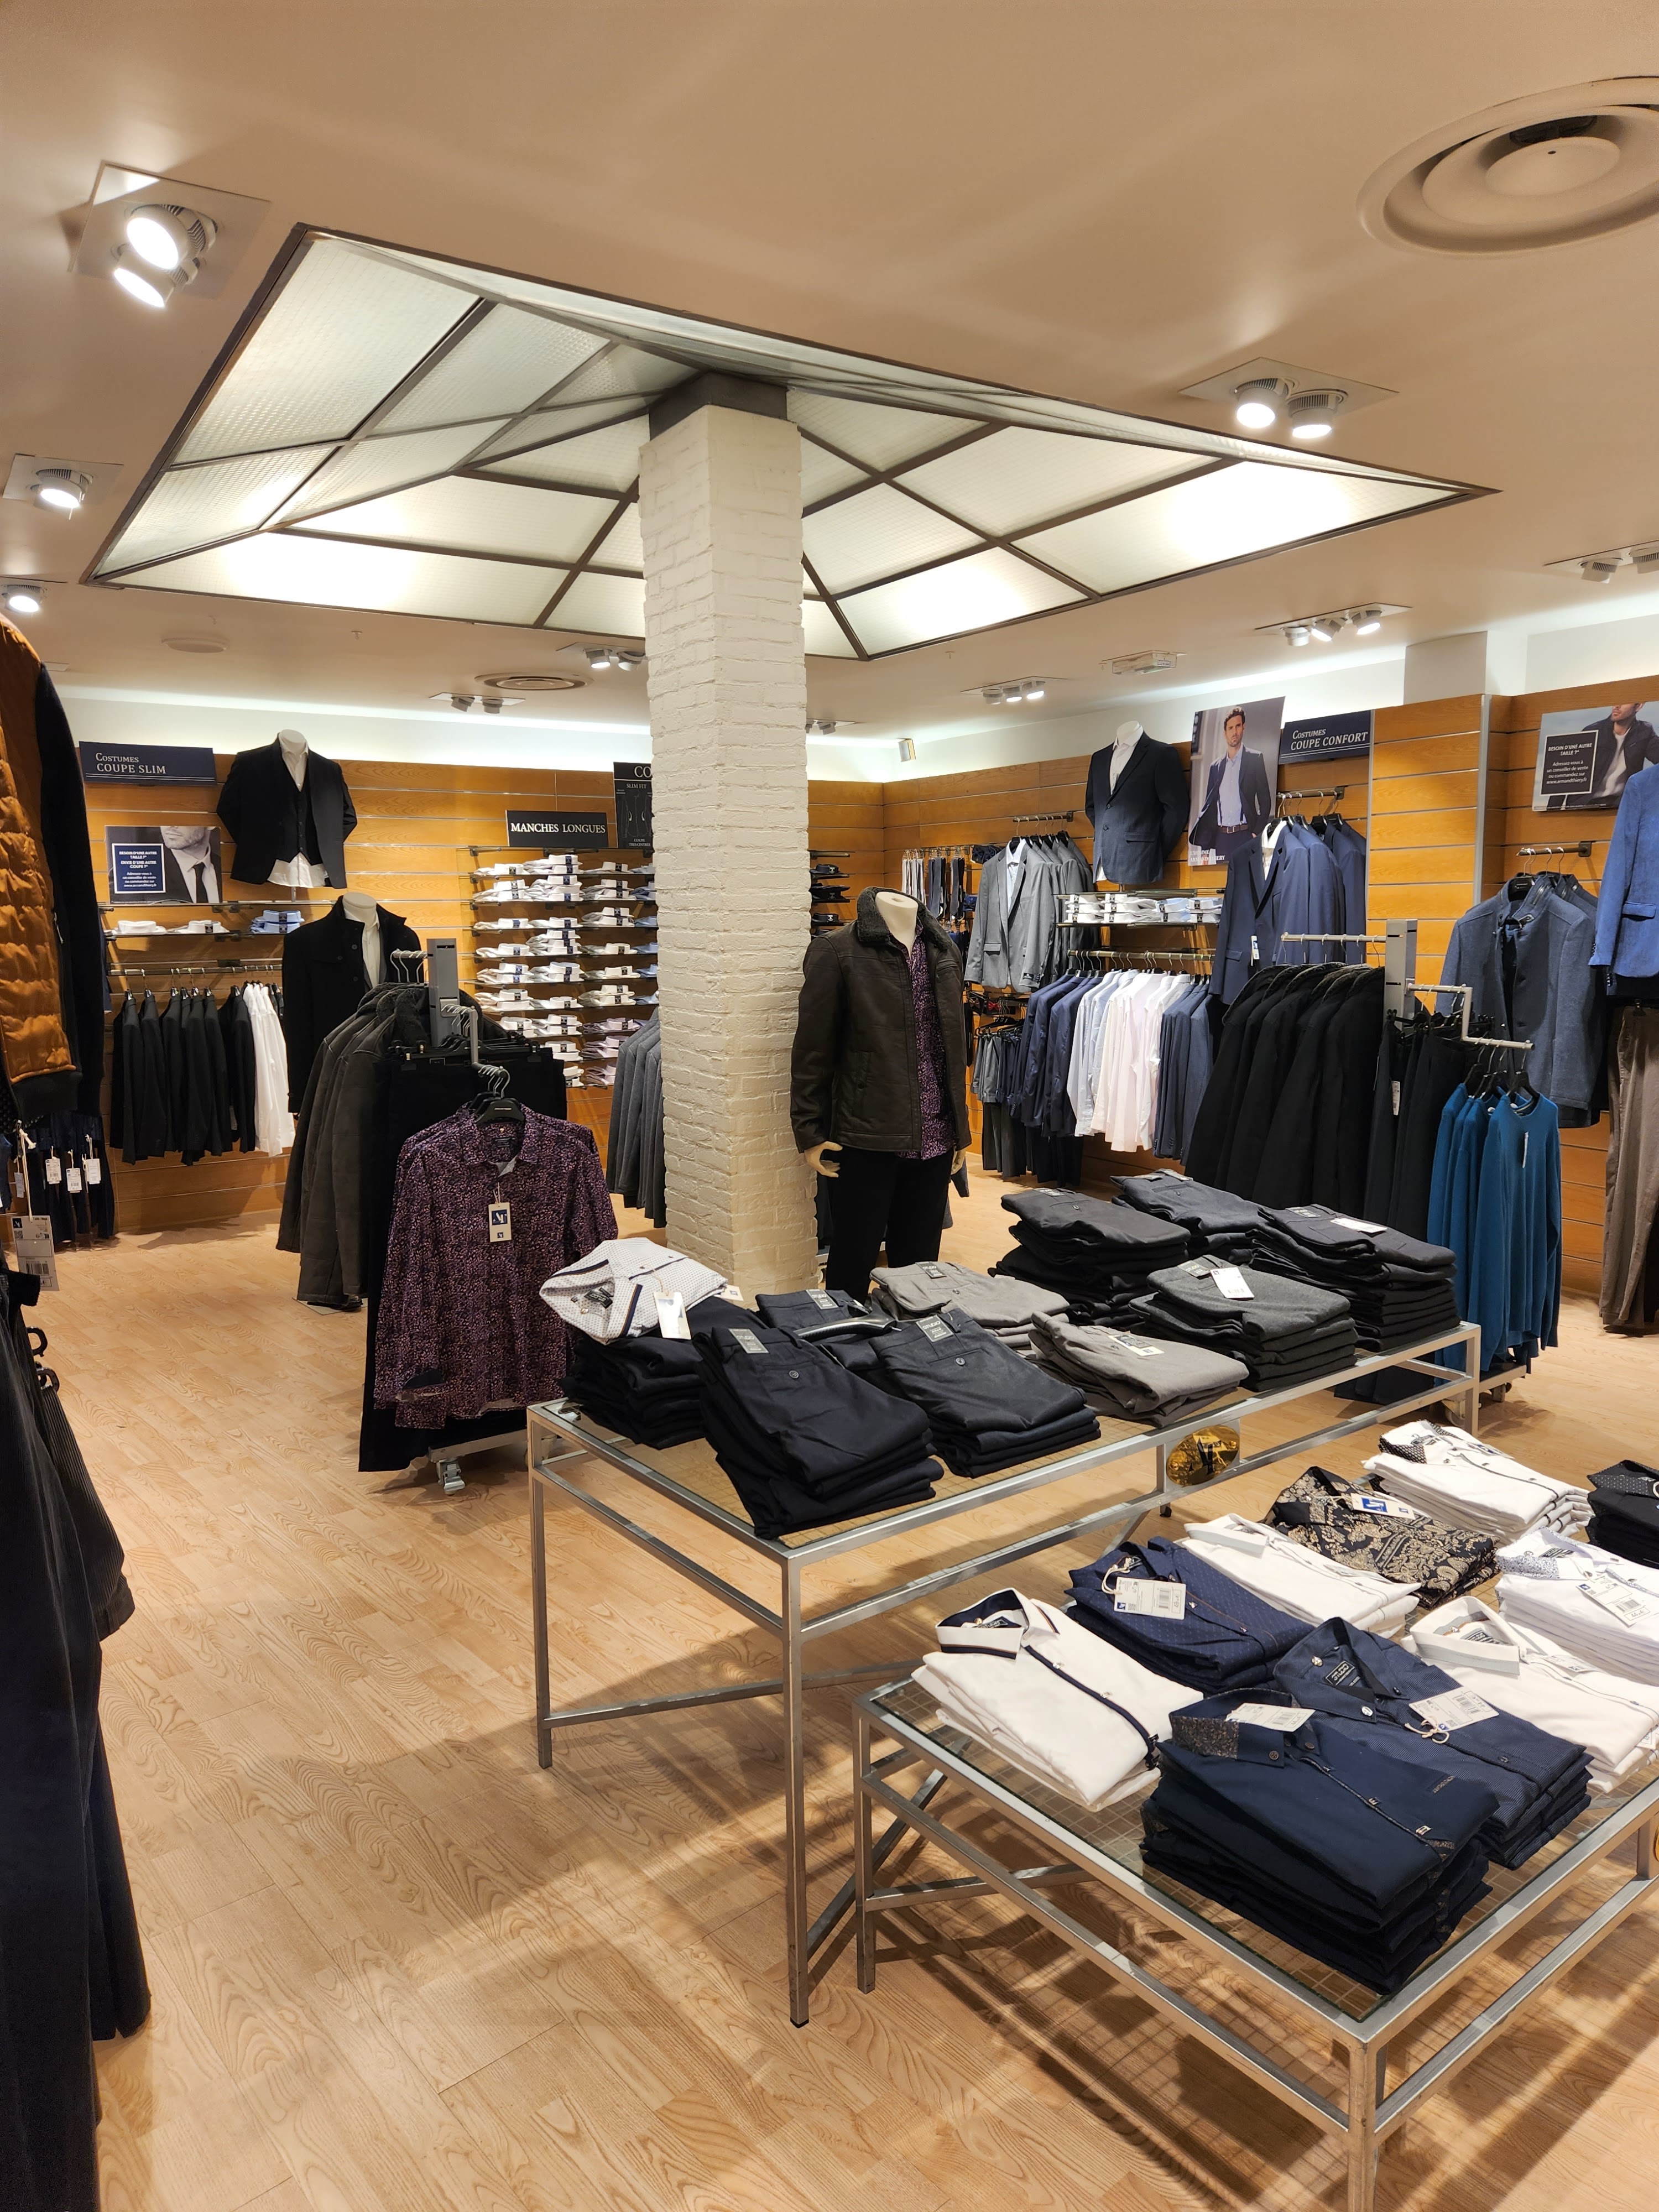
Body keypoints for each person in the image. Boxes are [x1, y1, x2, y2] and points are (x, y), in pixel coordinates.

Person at [1191, 707, 1273, 859]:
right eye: (1230, 728)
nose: (1234, 732)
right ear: (1225, 733)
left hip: (1246, 836)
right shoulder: (1216, 767)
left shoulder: (1255, 759)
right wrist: (1205, 850)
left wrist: (1256, 833)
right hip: (1222, 839)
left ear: (1244, 727)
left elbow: (1265, 801)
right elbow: (1209, 809)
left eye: (1238, 726)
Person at [1547, 701, 1659, 810]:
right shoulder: (1592, 731)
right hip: (1585, 804)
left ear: (1638, 706)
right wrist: (1551, 812)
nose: (1617, 706)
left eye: (1625, 702)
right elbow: (1567, 773)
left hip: (1619, 805)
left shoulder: (1645, 732)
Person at [158, 823, 222, 903]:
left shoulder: (226, 868)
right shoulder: (149, 869)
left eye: (183, 818)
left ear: (211, 825)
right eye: (164, 817)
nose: (170, 825)